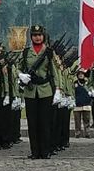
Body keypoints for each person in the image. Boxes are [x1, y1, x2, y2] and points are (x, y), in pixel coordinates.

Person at [18, 25, 61, 160]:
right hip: (30, 91)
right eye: (35, 35)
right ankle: (35, 151)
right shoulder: (25, 52)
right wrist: (21, 75)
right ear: (31, 37)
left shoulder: (49, 52)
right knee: (33, 123)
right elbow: (17, 68)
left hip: (45, 90)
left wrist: (58, 89)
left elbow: (55, 71)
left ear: (43, 36)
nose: (37, 37)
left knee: (45, 122)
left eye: (39, 35)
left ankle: (45, 150)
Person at [73, 69, 92, 138]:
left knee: (87, 120)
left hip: (86, 104)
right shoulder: (75, 83)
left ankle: (87, 133)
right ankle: (77, 133)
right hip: (77, 104)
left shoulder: (87, 83)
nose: (81, 75)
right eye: (79, 74)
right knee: (77, 121)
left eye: (82, 74)